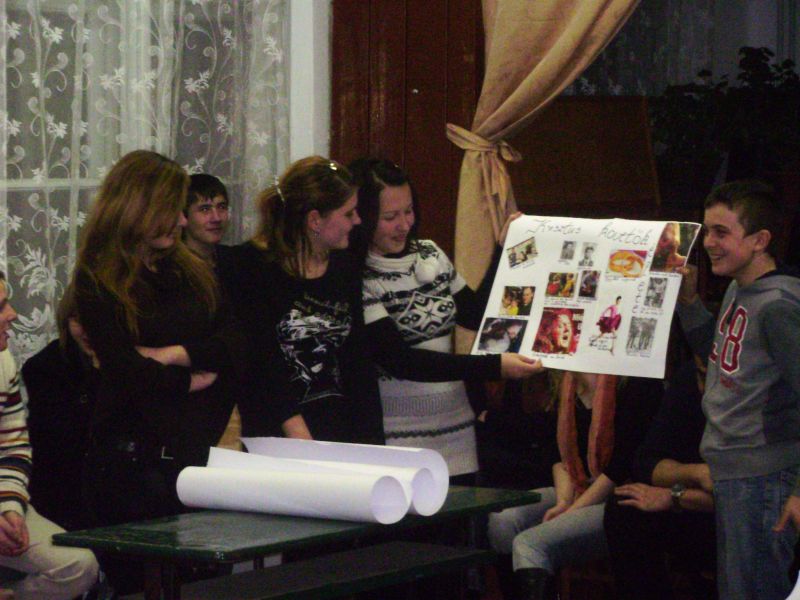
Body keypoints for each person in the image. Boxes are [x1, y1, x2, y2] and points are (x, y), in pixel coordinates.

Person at [72, 150, 242, 594]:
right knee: (141, 585)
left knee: (206, 586)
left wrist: (170, 355)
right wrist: (189, 377)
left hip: (194, 456)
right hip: (131, 464)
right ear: (138, 208)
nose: (183, 222)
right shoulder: (99, 280)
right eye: (172, 210)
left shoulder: (192, 270)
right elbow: (125, 371)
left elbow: (233, 345)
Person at [347, 158, 542, 480]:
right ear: (363, 217)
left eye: (409, 211)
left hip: (457, 432)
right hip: (396, 440)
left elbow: (476, 314)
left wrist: (504, 251)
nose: (404, 225)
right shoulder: (358, 276)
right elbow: (403, 362)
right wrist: (495, 366)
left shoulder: (430, 253)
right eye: (390, 217)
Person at [676, 180, 800, 600]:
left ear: (760, 240)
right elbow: (722, 357)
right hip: (734, 473)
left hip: (764, 476)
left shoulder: (779, 306)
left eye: (721, 232)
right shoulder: (739, 288)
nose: (708, 243)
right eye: (707, 230)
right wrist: (689, 304)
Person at [487, 371, 661, 599]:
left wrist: (572, 510)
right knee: (502, 520)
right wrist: (563, 502)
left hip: (622, 495)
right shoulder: (566, 380)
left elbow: (620, 467)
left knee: (529, 543)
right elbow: (559, 457)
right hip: (579, 485)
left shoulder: (636, 381)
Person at [0, 270, 99, 599]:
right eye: (1, 307)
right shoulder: (46, 366)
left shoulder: (3, 362)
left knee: (79, 566)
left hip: (3, 500)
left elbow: (13, 445)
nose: (13, 314)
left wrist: (9, 506)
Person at [604, 357, 716, 600]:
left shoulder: (757, 393)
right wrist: (696, 473)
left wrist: (677, 496)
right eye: (704, 375)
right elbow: (646, 462)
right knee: (625, 506)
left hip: (745, 513)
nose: (709, 384)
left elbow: (750, 491)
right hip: (696, 501)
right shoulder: (690, 379)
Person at [23, 283, 98, 533]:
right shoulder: (46, 367)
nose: (88, 330)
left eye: (96, 320)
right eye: (78, 320)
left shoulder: (132, 364)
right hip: (63, 493)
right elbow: (58, 444)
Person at [183, 173, 231, 261]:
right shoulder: (169, 266)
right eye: (205, 209)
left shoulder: (236, 260)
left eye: (221, 207)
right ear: (184, 215)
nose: (217, 218)